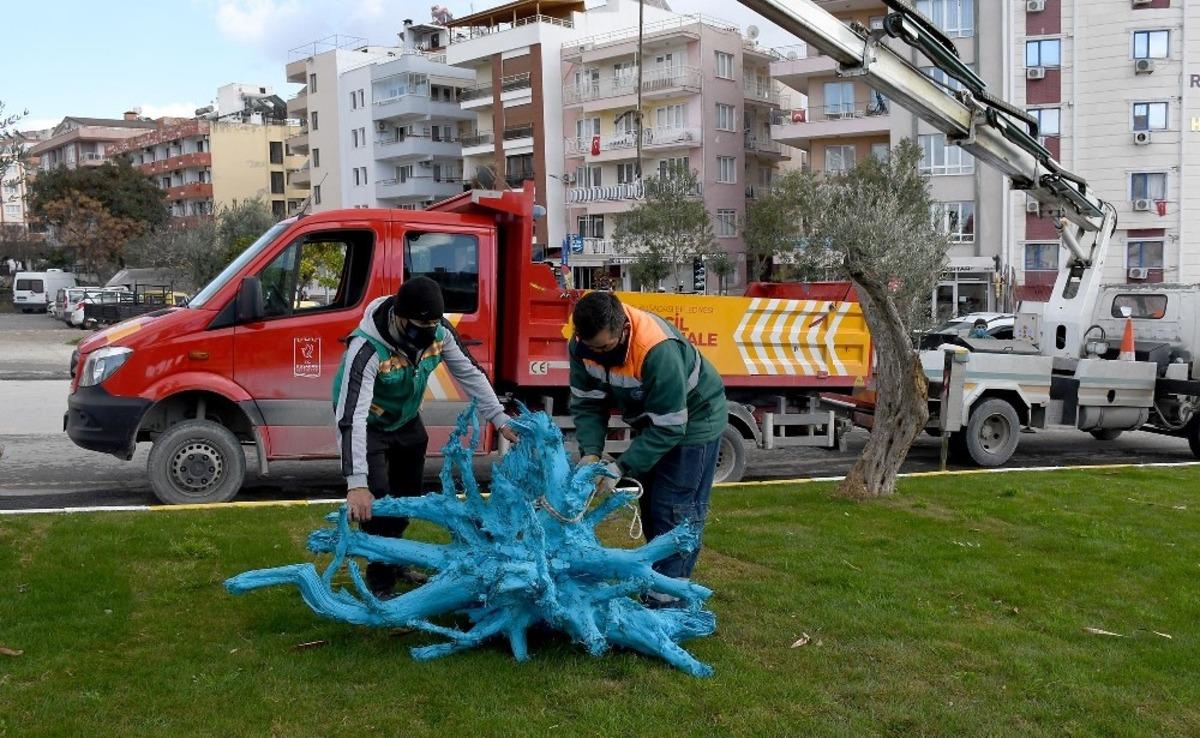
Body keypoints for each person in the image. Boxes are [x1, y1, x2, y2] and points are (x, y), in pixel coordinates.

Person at [332, 276, 518, 597]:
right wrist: (356, 483)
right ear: (400, 317)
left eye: (433, 322)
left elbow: (470, 374)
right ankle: (381, 583)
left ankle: (397, 560)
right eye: (421, 323)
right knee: (377, 504)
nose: (428, 330)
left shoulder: (440, 333)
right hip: (369, 424)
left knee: (407, 499)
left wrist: (500, 420)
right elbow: (352, 419)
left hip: (406, 420)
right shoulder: (366, 348)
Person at [568, 292, 727, 595]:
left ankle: (668, 601)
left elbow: (670, 427)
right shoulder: (581, 346)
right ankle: (657, 582)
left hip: (694, 421)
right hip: (654, 422)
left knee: (675, 510)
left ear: (623, 329)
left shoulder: (657, 350)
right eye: (590, 346)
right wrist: (591, 452)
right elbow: (588, 404)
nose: (596, 353)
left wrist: (621, 467)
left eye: (603, 347)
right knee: (652, 506)